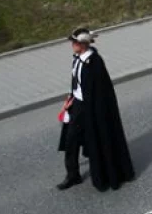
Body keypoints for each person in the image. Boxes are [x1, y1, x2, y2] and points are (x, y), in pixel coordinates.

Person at [57, 28, 134, 192]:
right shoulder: (78, 59)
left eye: (74, 42)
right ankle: (73, 175)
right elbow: (76, 81)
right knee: (71, 140)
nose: (72, 45)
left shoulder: (95, 62)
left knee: (96, 140)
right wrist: (69, 98)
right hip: (76, 105)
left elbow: (100, 92)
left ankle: (104, 173)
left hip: (90, 108)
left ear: (83, 44)